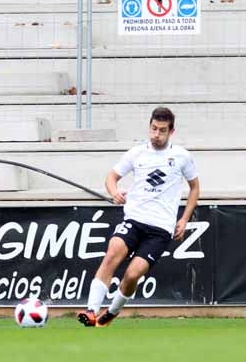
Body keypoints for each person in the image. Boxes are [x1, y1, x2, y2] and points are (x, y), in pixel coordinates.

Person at [78, 107, 199, 328]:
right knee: (112, 252)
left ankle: (113, 311)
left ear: (171, 132)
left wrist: (184, 219)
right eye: (153, 128)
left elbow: (194, 188)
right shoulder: (136, 153)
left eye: (162, 130)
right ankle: (91, 310)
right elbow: (111, 177)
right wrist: (114, 191)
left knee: (132, 275)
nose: (156, 134)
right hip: (133, 220)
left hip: (160, 229)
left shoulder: (181, 156)